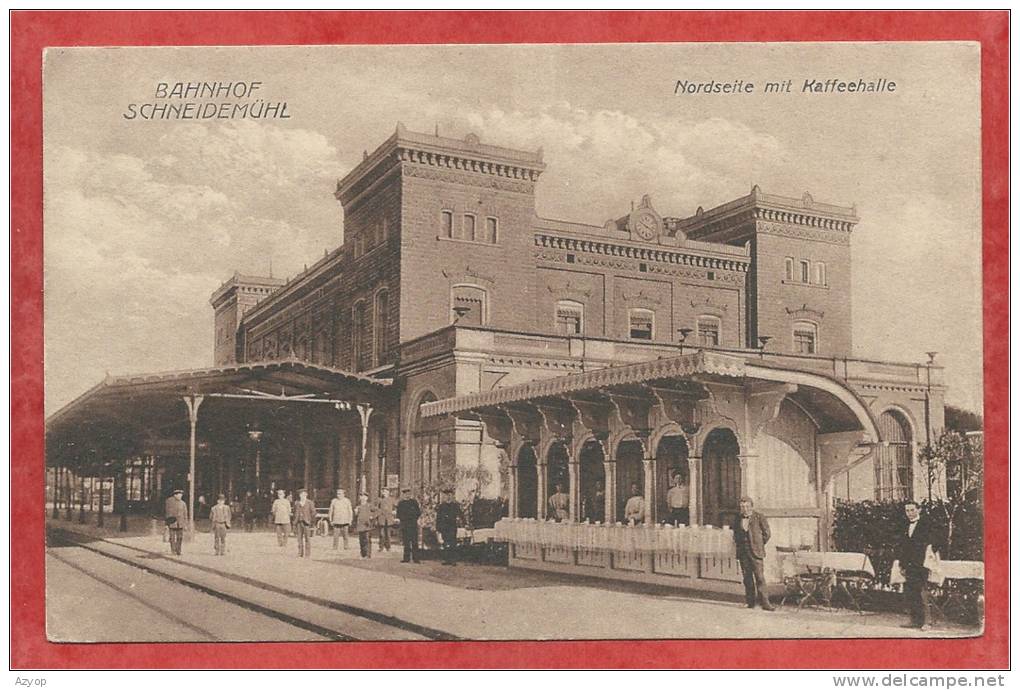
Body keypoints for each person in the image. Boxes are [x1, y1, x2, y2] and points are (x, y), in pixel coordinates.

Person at [896, 501, 940, 631]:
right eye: (907, 511)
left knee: (923, 592)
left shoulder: (926, 524)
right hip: (909, 564)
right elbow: (903, 547)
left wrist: (930, 553)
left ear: (919, 510)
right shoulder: (904, 525)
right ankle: (914, 620)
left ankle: (928, 622)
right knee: (910, 592)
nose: (909, 513)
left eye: (912, 510)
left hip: (922, 563)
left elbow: (935, 541)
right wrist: (902, 564)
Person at [732, 496, 774, 611]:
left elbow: (767, 534)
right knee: (747, 578)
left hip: (756, 552)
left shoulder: (759, 517)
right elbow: (735, 533)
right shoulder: (737, 518)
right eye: (742, 507)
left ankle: (765, 603)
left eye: (747, 506)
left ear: (751, 506)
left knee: (760, 577)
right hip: (743, 552)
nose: (744, 509)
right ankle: (750, 602)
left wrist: (758, 544)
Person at [436, 488, 463, 565]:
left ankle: (453, 560)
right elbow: (438, 518)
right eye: (446, 495)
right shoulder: (441, 506)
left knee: (452, 543)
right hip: (444, 527)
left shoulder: (455, 505)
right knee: (445, 543)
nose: (448, 497)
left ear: (452, 496)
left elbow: (461, 514)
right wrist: (438, 528)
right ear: (444, 496)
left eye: (449, 495)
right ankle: (446, 559)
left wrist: (464, 523)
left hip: (452, 527)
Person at [396, 487, 422, 563]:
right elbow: (399, 514)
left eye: (408, 493)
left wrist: (415, 519)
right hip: (405, 525)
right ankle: (406, 558)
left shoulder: (414, 502)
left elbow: (418, 512)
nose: (407, 495)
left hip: (413, 524)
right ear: (403, 494)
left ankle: (416, 558)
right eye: (406, 493)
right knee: (406, 542)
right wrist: (401, 521)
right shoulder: (401, 503)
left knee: (414, 542)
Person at [164, 488, 188, 556]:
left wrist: (185, 524)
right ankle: (173, 550)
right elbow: (167, 513)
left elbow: (185, 514)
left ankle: (178, 551)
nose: (180, 496)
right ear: (175, 495)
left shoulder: (183, 503)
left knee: (180, 537)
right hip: (172, 523)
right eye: (179, 495)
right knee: (172, 537)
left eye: (181, 495)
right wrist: (166, 524)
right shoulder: (169, 501)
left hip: (180, 523)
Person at [293, 488, 316, 558]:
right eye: (301, 495)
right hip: (298, 522)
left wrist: (310, 520)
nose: (302, 496)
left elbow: (314, 512)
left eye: (304, 494)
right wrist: (294, 521)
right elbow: (294, 512)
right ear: (299, 495)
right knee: (299, 539)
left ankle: (307, 554)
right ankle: (300, 553)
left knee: (307, 538)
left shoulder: (310, 502)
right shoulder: (296, 503)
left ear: (306, 495)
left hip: (306, 523)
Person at [354, 493, 376, 558]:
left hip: (367, 525)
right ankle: (363, 554)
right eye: (361, 497)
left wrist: (372, 516)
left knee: (367, 540)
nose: (362, 498)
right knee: (361, 541)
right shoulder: (358, 506)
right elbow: (356, 517)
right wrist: (355, 513)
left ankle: (368, 554)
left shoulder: (369, 506)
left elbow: (377, 511)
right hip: (360, 526)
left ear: (367, 498)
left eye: (364, 497)